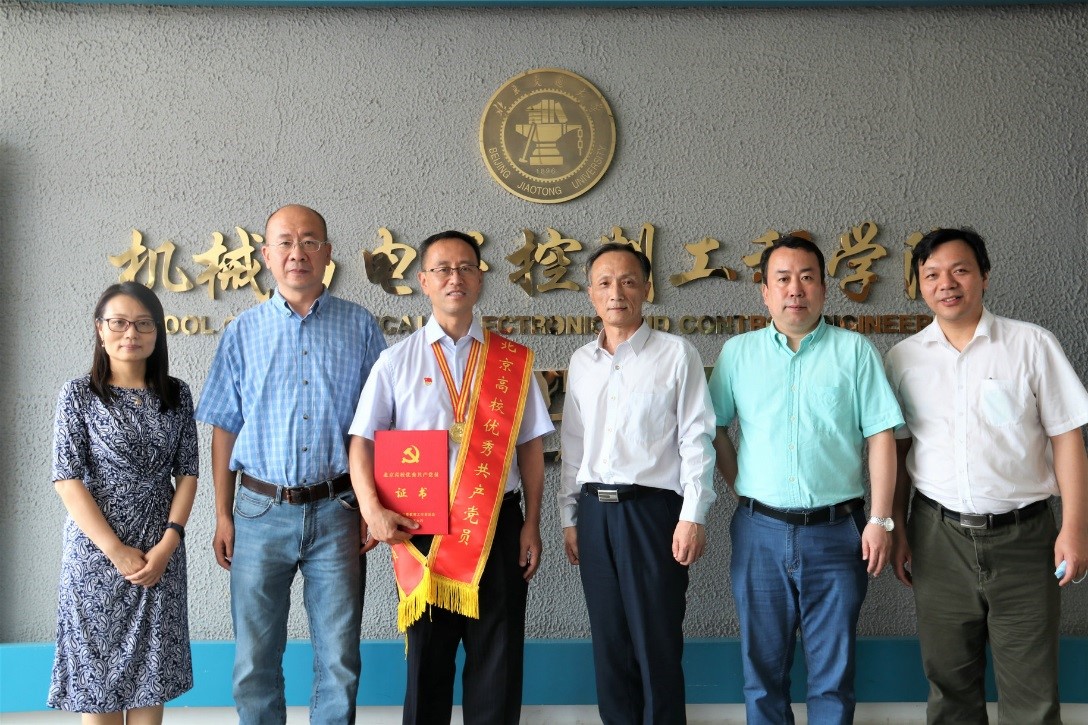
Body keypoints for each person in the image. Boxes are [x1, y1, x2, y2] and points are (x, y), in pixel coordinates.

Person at [348, 230, 552, 725]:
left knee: (498, 665)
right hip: (421, 529)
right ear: (424, 281)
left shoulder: (513, 361)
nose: (454, 278)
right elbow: (362, 442)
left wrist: (532, 524)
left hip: (498, 525)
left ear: (480, 278)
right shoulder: (396, 360)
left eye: (465, 267)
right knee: (426, 668)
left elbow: (531, 447)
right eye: (442, 269)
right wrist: (372, 510)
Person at [884, 228, 1088, 723]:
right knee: (949, 686)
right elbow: (898, 452)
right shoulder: (903, 358)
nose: (946, 284)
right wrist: (898, 528)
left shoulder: (1031, 345)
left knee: (1033, 693)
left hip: (1025, 537)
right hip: (937, 537)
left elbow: (1067, 439)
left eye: (960, 270)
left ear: (984, 276)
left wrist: (1075, 528)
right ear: (919, 284)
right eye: (932, 274)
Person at [196, 204, 385, 724]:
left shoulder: (360, 326)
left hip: (339, 510)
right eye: (284, 242)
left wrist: (372, 506)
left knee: (339, 659)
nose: (296, 252)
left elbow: (377, 427)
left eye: (309, 241)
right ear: (265, 254)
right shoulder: (242, 331)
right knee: (254, 660)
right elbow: (224, 428)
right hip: (258, 511)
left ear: (327, 253)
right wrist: (223, 515)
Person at [708, 235, 903, 724]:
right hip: (759, 532)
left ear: (823, 288)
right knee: (762, 673)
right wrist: (739, 482)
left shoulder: (855, 351)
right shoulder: (738, 353)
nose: (795, 289)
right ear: (765, 292)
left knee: (833, 676)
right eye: (783, 279)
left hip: (838, 532)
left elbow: (881, 435)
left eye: (807, 277)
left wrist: (880, 519)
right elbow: (712, 427)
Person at [559, 242, 716, 725]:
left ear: (647, 288)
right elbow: (573, 445)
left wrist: (693, 515)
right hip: (594, 514)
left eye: (628, 281)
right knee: (609, 644)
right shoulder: (581, 361)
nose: (616, 293)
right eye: (604, 283)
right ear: (590, 293)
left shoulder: (676, 354)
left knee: (657, 644)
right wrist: (569, 517)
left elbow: (696, 439)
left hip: (653, 513)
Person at [49, 282, 199, 724]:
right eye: (118, 322)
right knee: (98, 687)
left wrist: (168, 543)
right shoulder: (78, 394)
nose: (130, 333)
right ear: (100, 329)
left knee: (152, 676)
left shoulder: (177, 394)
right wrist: (115, 550)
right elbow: (66, 479)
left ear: (157, 332)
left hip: (160, 552)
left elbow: (188, 474)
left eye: (143, 323)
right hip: (96, 555)